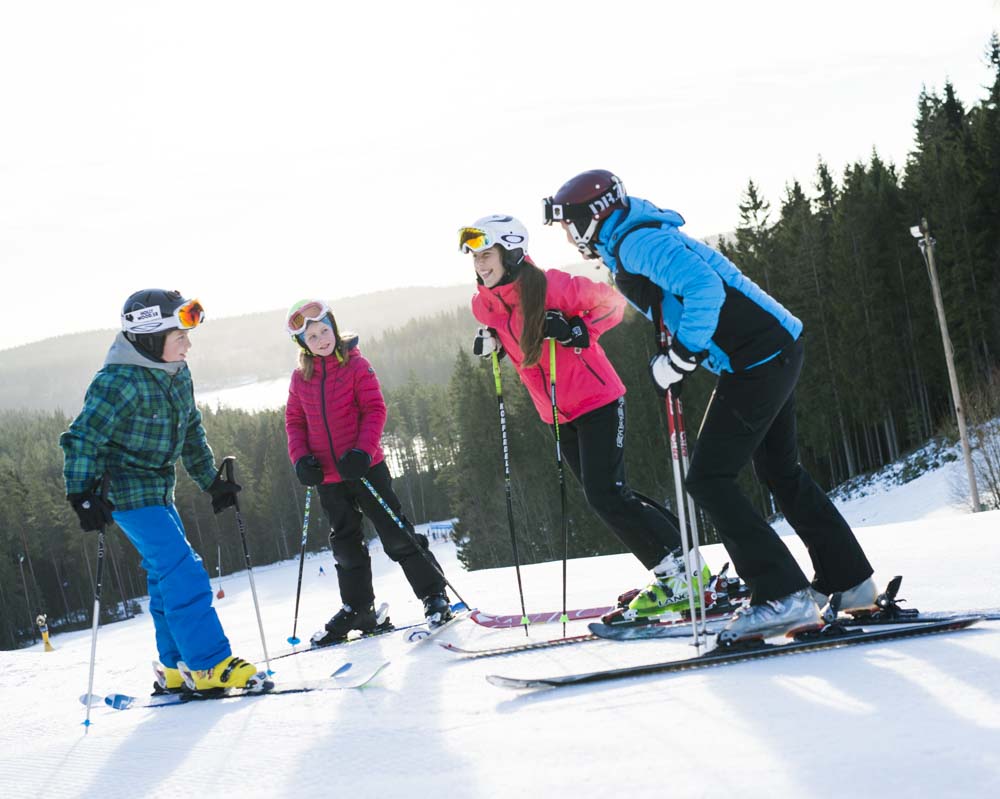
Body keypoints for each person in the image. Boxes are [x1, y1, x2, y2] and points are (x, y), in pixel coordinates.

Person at [542, 170, 878, 642]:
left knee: (708, 478)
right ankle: (850, 582)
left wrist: (683, 356)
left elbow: (705, 289)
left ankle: (782, 595)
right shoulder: (633, 239)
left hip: (758, 357)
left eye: (569, 225)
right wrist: (682, 353)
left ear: (594, 216)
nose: (569, 236)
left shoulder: (639, 243)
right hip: (773, 349)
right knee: (781, 472)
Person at [462, 214, 710, 621]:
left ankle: (675, 574)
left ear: (511, 252)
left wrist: (578, 329)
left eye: (486, 254)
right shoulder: (483, 303)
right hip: (556, 412)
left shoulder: (553, 285)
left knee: (606, 494)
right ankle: (686, 565)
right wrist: (494, 341)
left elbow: (612, 304)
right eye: (474, 257)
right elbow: (511, 332)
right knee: (613, 493)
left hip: (597, 399)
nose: (479, 263)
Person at [60, 289, 261, 691]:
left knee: (164, 575)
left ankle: (177, 666)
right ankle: (208, 664)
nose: (189, 345)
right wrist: (82, 494)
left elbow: (190, 429)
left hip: (158, 490)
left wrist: (211, 480)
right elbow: (82, 438)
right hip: (125, 492)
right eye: (180, 338)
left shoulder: (176, 372)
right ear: (151, 340)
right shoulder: (118, 383)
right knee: (183, 570)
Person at [284, 299, 453, 643]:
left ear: (334, 328)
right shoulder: (301, 378)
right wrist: (301, 459)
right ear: (303, 344)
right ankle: (359, 609)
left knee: (396, 534)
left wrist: (363, 451)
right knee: (346, 546)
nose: (320, 339)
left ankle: (434, 594)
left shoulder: (357, 365)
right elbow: (294, 421)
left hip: (364, 468)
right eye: (312, 336)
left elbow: (375, 409)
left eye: (324, 331)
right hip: (329, 478)